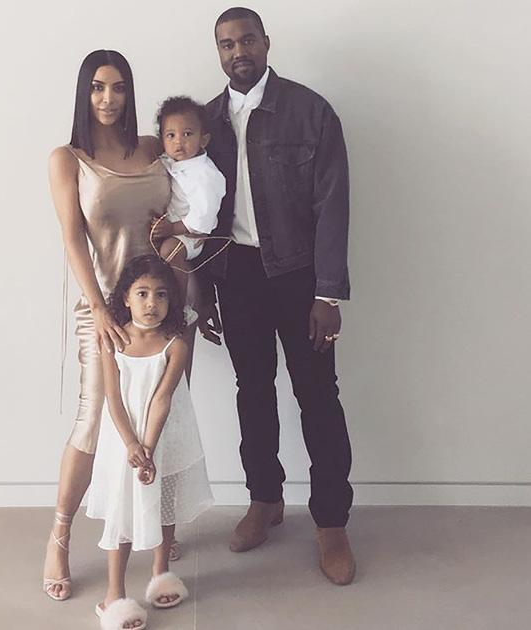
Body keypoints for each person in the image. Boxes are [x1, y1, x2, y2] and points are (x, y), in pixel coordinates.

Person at [197, 7, 356, 585]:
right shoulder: (204, 122)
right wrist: (202, 289)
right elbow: (195, 213)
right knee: (253, 391)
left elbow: (332, 206)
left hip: (299, 275)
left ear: (266, 43)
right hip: (235, 274)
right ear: (218, 52)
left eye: (246, 40)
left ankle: (331, 522)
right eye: (226, 44)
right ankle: (264, 499)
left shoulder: (310, 112)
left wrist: (328, 295)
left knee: (318, 395)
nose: (237, 51)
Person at [43, 50, 189, 602]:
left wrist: (185, 265)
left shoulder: (154, 148)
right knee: (93, 423)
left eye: (119, 87)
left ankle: (158, 536)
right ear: (85, 93)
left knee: (164, 419)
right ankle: (59, 537)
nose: (109, 98)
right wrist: (100, 308)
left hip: (164, 309)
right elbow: (71, 238)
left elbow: (185, 212)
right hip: (105, 311)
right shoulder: (68, 159)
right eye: (98, 87)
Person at [87, 254, 212, 629]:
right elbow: (113, 398)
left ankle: (161, 573)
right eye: (141, 293)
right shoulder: (113, 341)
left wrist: (150, 450)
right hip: (123, 438)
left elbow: (162, 399)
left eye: (161, 294)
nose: (151, 303)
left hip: (164, 435)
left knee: (165, 502)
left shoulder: (175, 345)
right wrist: (132, 446)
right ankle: (114, 594)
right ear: (125, 297)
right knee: (121, 509)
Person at [150, 96, 226, 311]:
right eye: (171, 135)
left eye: (187, 134)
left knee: (170, 251)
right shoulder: (169, 161)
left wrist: (172, 229)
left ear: (203, 140)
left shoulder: (205, 174)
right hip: (171, 227)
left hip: (190, 233)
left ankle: (181, 306)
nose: (178, 142)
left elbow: (204, 215)